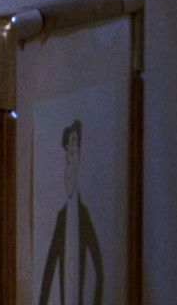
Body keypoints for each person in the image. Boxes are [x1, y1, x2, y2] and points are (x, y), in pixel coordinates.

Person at [38, 120, 104, 305]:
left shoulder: (84, 215)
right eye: (66, 156)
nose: (68, 167)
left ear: (81, 158)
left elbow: (99, 271)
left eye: (73, 154)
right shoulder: (62, 217)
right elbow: (49, 269)